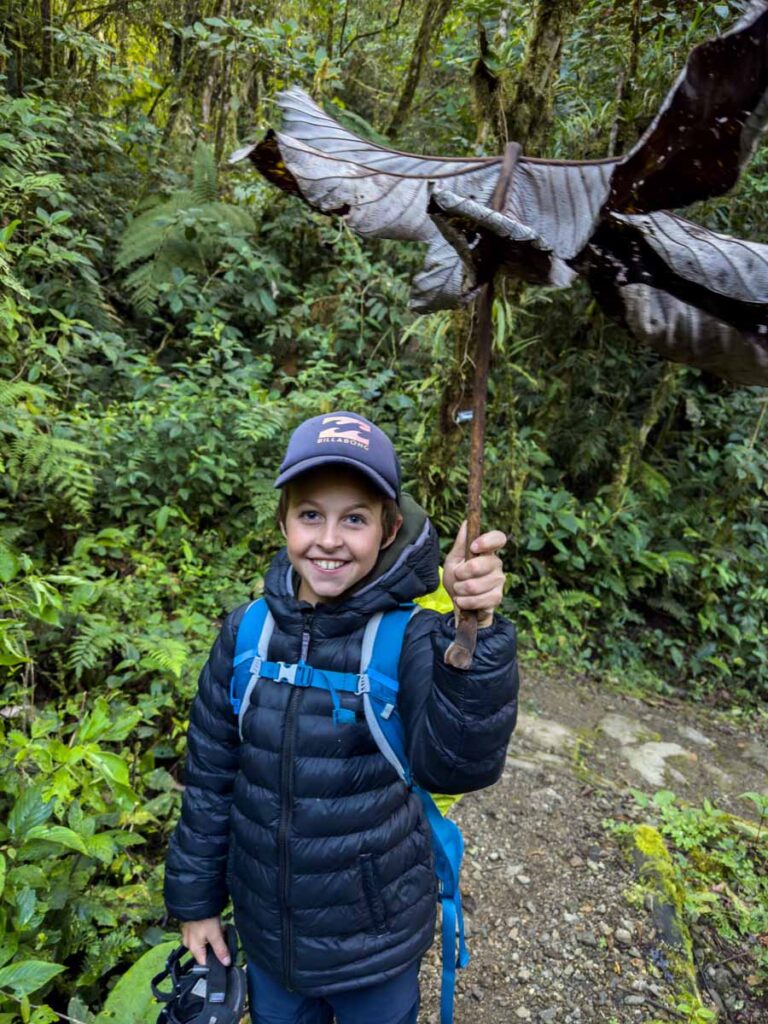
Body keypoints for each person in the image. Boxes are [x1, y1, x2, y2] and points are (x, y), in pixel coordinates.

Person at [164, 411, 520, 1024]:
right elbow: (210, 780)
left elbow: (458, 765)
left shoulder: (410, 638)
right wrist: (196, 904)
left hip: (374, 946)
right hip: (269, 942)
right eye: (310, 515)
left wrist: (476, 632)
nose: (329, 539)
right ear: (283, 522)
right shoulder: (247, 632)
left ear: (386, 531)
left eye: (354, 518)